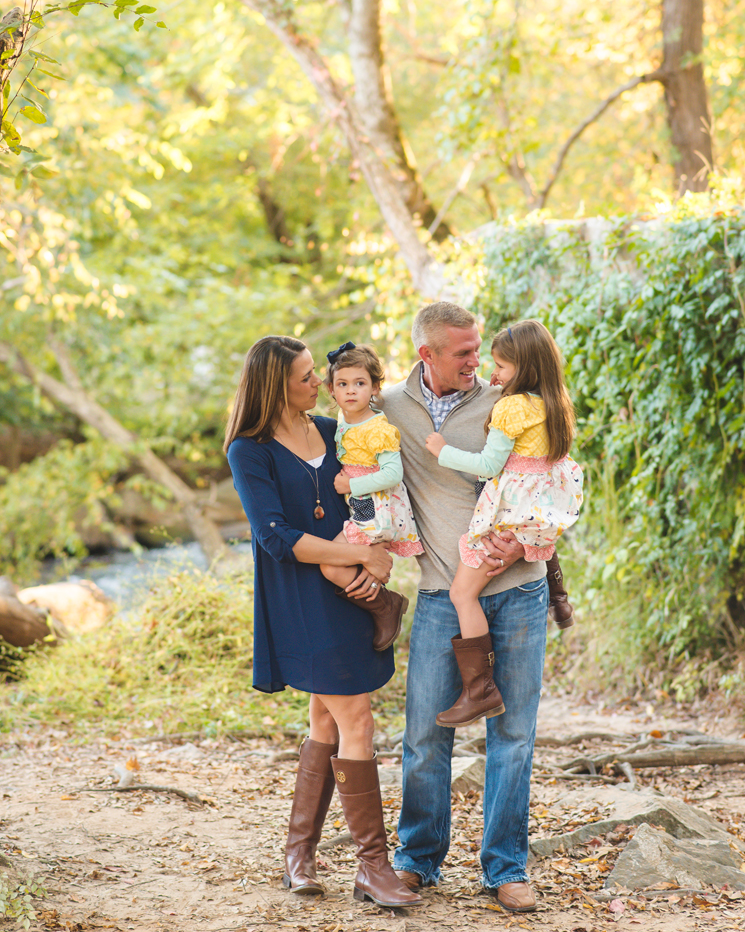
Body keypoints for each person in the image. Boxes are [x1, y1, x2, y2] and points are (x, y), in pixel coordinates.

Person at [225, 336, 420, 910]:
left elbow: (366, 505)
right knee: (355, 715)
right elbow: (273, 537)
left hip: (349, 592)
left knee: (326, 720)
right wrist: (355, 558)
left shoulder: (337, 433)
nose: (323, 383)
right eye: (309, 376)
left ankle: (298, 854)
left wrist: (373, 558)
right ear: (276, 384)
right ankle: (373, 868)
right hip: (299, 597)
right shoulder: (249, 450)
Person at [379, 302, 550, 915]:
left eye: (480, 350)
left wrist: (527, 540)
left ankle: (505, 868)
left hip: (520, 588)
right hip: (439, 591)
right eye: (463, 353)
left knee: (514, 734)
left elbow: (551, 476)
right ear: (427, 354)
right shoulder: (391, 407)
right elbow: (346, 447)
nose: (477, 361)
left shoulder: (508, 400)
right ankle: (417, 862)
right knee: (424, 734)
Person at [425, 320, 583, 727]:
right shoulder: (554, 403)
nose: (491, 374)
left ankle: (480, 691)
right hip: (538, 508)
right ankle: (558, 597)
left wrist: (443, 451)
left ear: (526, 367)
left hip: (510, 511)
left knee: (462, 594)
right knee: (519, 554)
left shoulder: (513, 406)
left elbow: (490, 464)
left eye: (501, 366)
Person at [318, 341, 422, 646]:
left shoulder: (377, 427)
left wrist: (352, 485)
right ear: (332, 391)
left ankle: (385, 606)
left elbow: (393, 473)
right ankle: (375, 610)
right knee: (347, 563)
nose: (351, 391)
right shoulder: (343, 423)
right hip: (362, 505)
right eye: (343, 384)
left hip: (378, 507)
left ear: (375, 388)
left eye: (360, 383)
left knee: (331, 565)